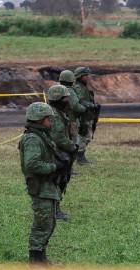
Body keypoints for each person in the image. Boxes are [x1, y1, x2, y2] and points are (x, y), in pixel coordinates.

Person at [18, 102, 67, 265]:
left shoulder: (41, 135)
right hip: (40, 186)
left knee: (48, 222)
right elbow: (31, 164)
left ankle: (41, 257)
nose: (50, 122)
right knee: (42, 223)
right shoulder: (32, 138)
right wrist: (54, 167)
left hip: (47, 185)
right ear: (39, 119)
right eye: (48, 119)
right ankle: (35, 260)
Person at [47, 85, 79, 221]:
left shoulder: (57, 112)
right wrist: (72, 147)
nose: (68, 100)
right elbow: (59, 138)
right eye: (65, 98)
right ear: (58, 98)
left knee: (59, 182)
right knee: (57, 182)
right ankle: (54, 211)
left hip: (58, 153)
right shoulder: (54, 115)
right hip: (57, 154)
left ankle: (55, 209)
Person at [73, 67, 101, 165]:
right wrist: (91, 105)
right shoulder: (78, 87)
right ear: (80, 76)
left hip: (87, 115)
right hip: (82, 116)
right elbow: (80, 101)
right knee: (83, 136)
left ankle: (80, 155)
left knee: (86, 136)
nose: (88, 77)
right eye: (85, 75)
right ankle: (80, 157)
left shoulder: (83, 87)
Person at [58, 70, 86, 151]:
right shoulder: (69, 91)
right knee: (74, 140)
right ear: (71, 80)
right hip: (71, 120)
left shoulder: (56, 89)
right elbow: (75, 106)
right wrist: (84, 108)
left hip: (59, 120)